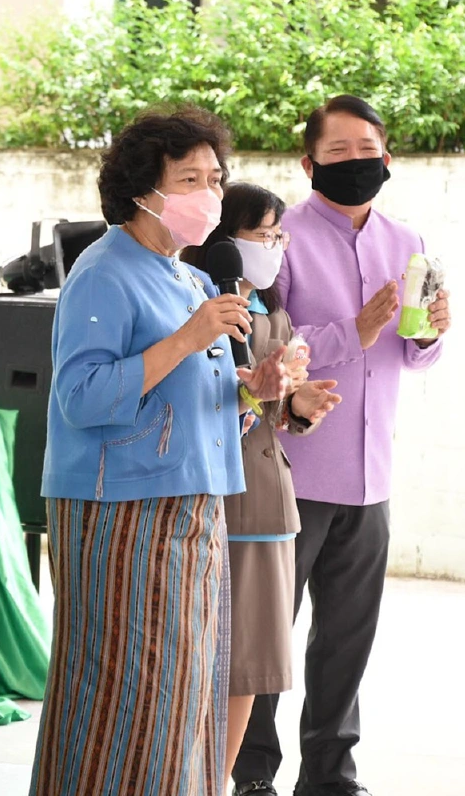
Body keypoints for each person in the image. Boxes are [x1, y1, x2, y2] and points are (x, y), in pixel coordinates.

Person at [33, 107, 289, 796]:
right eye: (189, 178)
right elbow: (80, 398)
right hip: (120, 517)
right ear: (143, 188)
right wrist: (186, 337)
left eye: (215, 177)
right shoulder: (104, 273)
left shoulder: (191, 279)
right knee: (124, 696)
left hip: (194, 512)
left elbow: (197, 410)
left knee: (184, 698)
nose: (208, 193)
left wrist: (253, 392)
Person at [233, 96, 451, 796]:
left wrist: (428, 333)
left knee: (347, 643)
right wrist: (350, 331)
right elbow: (270, 349)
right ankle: (253, 774)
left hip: (370, 479)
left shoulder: (407, 241)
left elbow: (412, 358)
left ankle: (330, 778)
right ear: (309, 162)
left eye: (368, 150)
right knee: (265, 639)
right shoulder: (282, 241)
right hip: (290, 474)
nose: (356, 163)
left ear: (387, 157)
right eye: (339, 151)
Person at [182, 182, 343, 788]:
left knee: (249, 662)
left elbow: (268, 411)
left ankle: (217, 781)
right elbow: (201, 399)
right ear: (224, 240)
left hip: (265, 499)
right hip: (207, 497)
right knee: (197, 655)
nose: (275, 247)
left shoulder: (270, 315)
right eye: (263, 235)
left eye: (280, 237)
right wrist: (261, 392)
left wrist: (297, 401)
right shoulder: (195, 302)